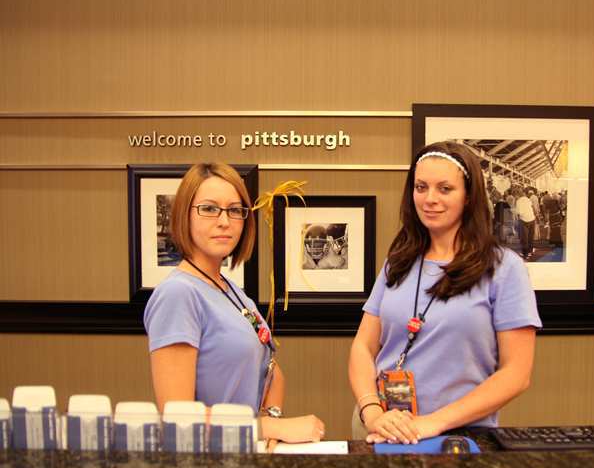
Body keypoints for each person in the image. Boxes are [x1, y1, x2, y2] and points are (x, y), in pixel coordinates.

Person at [348, 141, 541, 445]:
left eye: (445, 189)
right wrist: (371, 411)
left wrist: (432, 424)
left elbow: (516, 373)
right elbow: (362, 346)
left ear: (468, 197)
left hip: (457, 437)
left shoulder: (504, 269)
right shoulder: (397, 262)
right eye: (421, 187)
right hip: (381, 430)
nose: (429, 199)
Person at [144, 162, 325, 445]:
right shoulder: (178, 294)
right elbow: (177, 417)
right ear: (183, 215)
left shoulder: (232, 291)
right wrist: (269, 429)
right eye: (209, 208)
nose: (224, 221)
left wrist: (270, 420)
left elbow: (271, 369)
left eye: (235, 210)